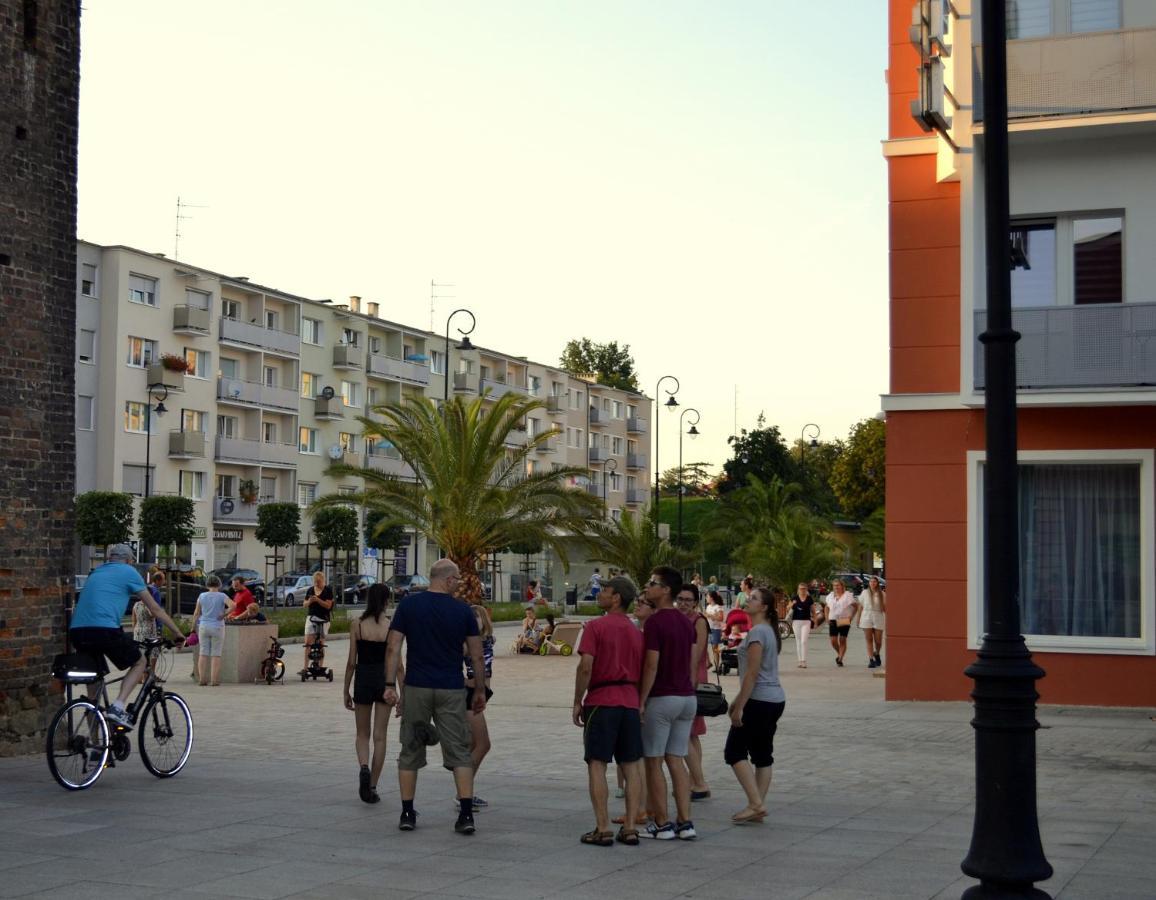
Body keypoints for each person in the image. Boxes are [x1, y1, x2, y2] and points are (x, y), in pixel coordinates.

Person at [383, 559, 486, 835]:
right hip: (451, 689)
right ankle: (465, 815)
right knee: (460, 751)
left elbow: (393, 647)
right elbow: (476, 654)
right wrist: (478, 690)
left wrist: (389, 684)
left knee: (410, 749)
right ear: (449, 579)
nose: (459, 586)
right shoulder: (462, 611)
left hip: (417, 686)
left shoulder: (408, 606)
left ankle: (407, 812)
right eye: (457, 581)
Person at [69, 546, 188, 729]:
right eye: (132, 561)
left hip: (78, 631)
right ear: (128, 560)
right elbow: (154, 609)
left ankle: (96, 749)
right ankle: (118, 706)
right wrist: (177, 633)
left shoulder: (96, 572)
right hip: (104, 629)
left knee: (94, 694)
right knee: (140, 662)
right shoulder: (129, 571)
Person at [573, 576, 645, 847]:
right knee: (631, 764)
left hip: (602, 700)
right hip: (629, 700)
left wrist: (578, 699)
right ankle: (629, 827)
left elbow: (585, 666)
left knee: (597, 763)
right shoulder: (636, 632)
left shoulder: (596, 627)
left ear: (616, 598)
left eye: (604, 590)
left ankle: (603, 827)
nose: (599, 593)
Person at [637, 566, 697, 841]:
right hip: (687, 698)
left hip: (662, 697)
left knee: (653, 760)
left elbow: (651, 664)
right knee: (676, 759)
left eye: (653, 583)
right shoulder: (687, 622)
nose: (648, 587)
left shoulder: (655, 622)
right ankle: (685, 821)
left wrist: (641, 700)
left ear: (666, 590)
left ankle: (662, 823)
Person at [725, 586, 786, 823]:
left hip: (760, 701)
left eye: (754, 599)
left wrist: (740, 705)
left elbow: (752, 673)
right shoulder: (767, 630)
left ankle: (755, 803)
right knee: (762, 755)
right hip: (773, 700)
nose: (748, 600)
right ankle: (757, 806)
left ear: (764, 607)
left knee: (734, 752)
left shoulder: (758, 632)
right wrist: (738, 700)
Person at [343, 583, 401, 803]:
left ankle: (364, 767)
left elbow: (351, 662)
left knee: (362, 733)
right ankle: (373, 785)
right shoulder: (391, 627)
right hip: (385, 679)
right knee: (380, 736)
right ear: (387, 601)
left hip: (363, 678)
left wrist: (346, 690)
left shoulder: (357, 625)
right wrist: (400, 691)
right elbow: (399, 663)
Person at [676, 584, 712, 802]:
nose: (683, 604)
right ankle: (695, 779)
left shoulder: (698, 621)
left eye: (688, 600)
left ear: (696, 602)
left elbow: (696, 654)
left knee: (684, 732)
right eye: (680, 599)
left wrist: (689, 683)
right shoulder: (679, 619)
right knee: (692, 733)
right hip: (684, 678)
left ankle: (699, 782)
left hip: (691, 679)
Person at [464, 598, 494, 811]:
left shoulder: (487, 640)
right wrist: (469, 683)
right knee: (482, 744)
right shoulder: (466, 643)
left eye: (477, 617)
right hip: (470, 694)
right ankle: (463, 791)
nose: (474, 621)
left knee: (473, 745)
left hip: (481, 693)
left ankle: (466, 790)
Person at [191, 575, 233, 686]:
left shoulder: (202, 596)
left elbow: (196, 613)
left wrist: (192, 627)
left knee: (203, 653)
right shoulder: (222, 596)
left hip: (203, 626)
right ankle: (214, 680)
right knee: (216, 654)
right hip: (218, 627)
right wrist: (224, 614)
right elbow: (233, 605)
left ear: (207, 584)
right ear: (219, 584)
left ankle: (202, 679)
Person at [301, 571, 334, 674]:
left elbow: (328, 606)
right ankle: (305, 667)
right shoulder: (310, 590)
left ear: (323, 581)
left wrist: (318, 600)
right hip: (311, 617)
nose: (317, 584)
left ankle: (320, 666)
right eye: (315, 582)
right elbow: (304, 604)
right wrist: (310, 601)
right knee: (307, 643)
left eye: (319, 582)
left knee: (320, 643)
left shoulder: (327, 590)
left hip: (323, 618)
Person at [825, 578, 859, 667]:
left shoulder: (847, 596)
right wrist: (826, 618)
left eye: (838, 585)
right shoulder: (830, 596)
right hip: (833, 619)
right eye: (834, 585)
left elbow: (856, 606)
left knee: (842, 639)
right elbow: (826, 607)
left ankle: (840, 658)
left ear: (842, 586)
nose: (836, 587)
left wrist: (851, 617)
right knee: (833, 641)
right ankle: (840, 653)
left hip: (844, 619)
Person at [858, 576, 887, 669]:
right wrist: (858, 619)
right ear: (869, 583)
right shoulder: (865, 593)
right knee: (869, 639)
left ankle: (877, 653)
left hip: (878, 615)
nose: (872, 583)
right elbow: (860, 606)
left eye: (874, 582)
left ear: (877, 583)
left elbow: (885, 608)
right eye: (871, 582)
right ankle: (871, 659)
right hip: (866, 615)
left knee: (878, 641)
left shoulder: (882, 594)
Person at [790, 582, 816, 668]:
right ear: (798, 590)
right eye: (801, 589)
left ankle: (804, 660)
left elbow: (813, 610)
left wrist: (815, 621)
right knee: (798, 641)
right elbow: (787, 608)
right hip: (796, 621)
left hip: (806, 621)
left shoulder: (809, 598)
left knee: (804, 641)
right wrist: (792, 604)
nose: (802, 590)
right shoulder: (795, 598)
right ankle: (799, 660)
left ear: (806, 589)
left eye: (804, 589)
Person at [704, 590, 725, 673]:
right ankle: (709, 662)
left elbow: (721, 618)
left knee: (714, 648)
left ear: (711, 598)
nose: (706, 598)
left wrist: (711, 616)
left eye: (707, 597)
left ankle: (717, 665)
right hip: (708, 628)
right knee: (706, 647)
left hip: (715, 629)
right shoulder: (708, 606)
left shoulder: (718, 607)